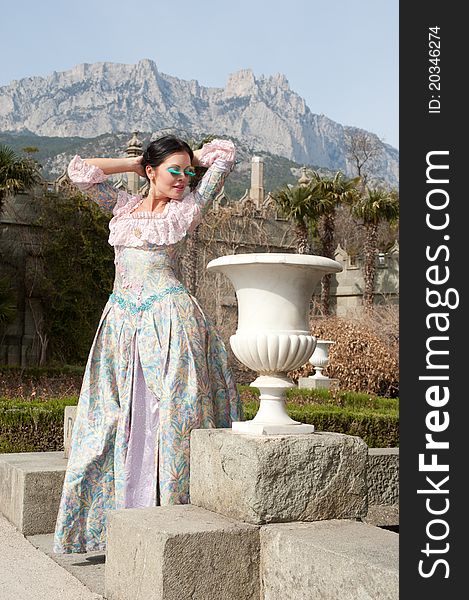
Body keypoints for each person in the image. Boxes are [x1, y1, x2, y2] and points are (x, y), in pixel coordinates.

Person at [53, 135, 243, 554]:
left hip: (169, 319)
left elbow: (225, 153)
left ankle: (169, 523)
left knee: (173, 414)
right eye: (173, 171)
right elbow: (80, 170)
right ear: (150, 171)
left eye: (188, 172)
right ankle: (103, 524)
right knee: (106, 419)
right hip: (120, 323)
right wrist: (139, 164)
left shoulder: (186, 209)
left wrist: (185, 161)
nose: (184, 178)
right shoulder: (122, 208)